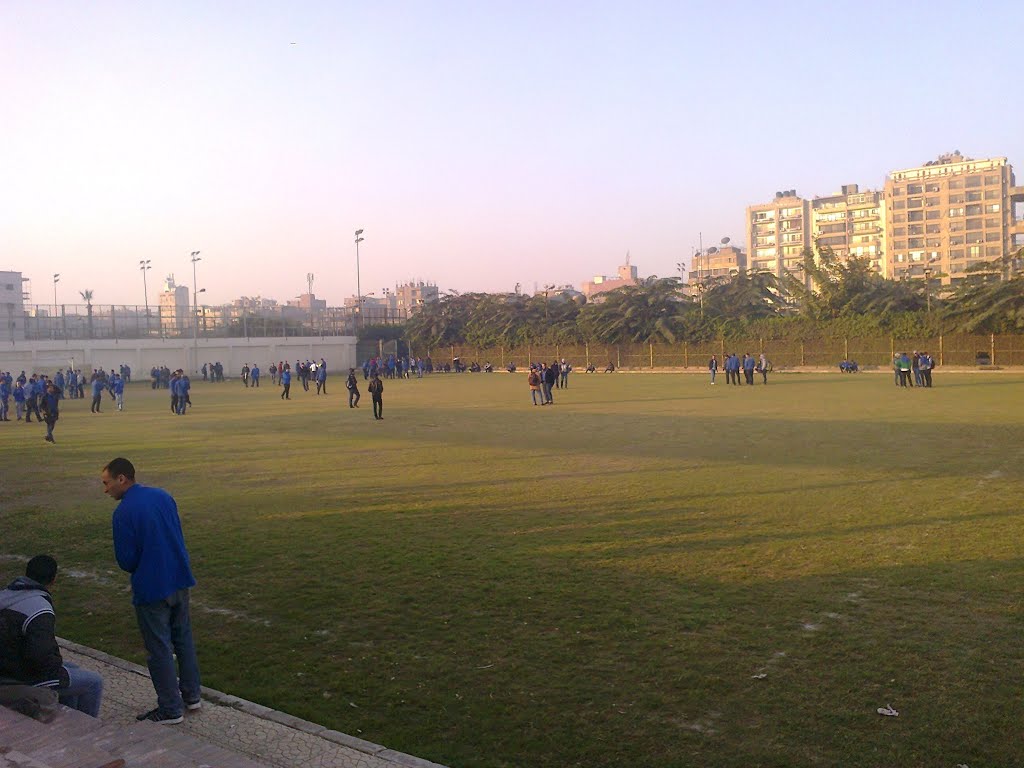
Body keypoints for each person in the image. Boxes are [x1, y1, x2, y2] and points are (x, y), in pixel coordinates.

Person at [101, 458, 201, 725]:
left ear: (122, 479)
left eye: (106, 483)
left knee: (159, 648)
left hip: (152, 587)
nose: (105, 489)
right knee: (184, 639)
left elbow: (127, 561)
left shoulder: (123, 512)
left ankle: (170, 708)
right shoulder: (163, 496)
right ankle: (192, 695)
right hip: (180, 577)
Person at [0, 555, 104, 717]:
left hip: (9, 663)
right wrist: (58, 669)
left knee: (73, 670)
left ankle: (69, 719)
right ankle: (86, 731)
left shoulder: (6, 595)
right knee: (94, 682)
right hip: (20, 675)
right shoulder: (39, 608)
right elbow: (40, 656)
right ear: (53, 580)